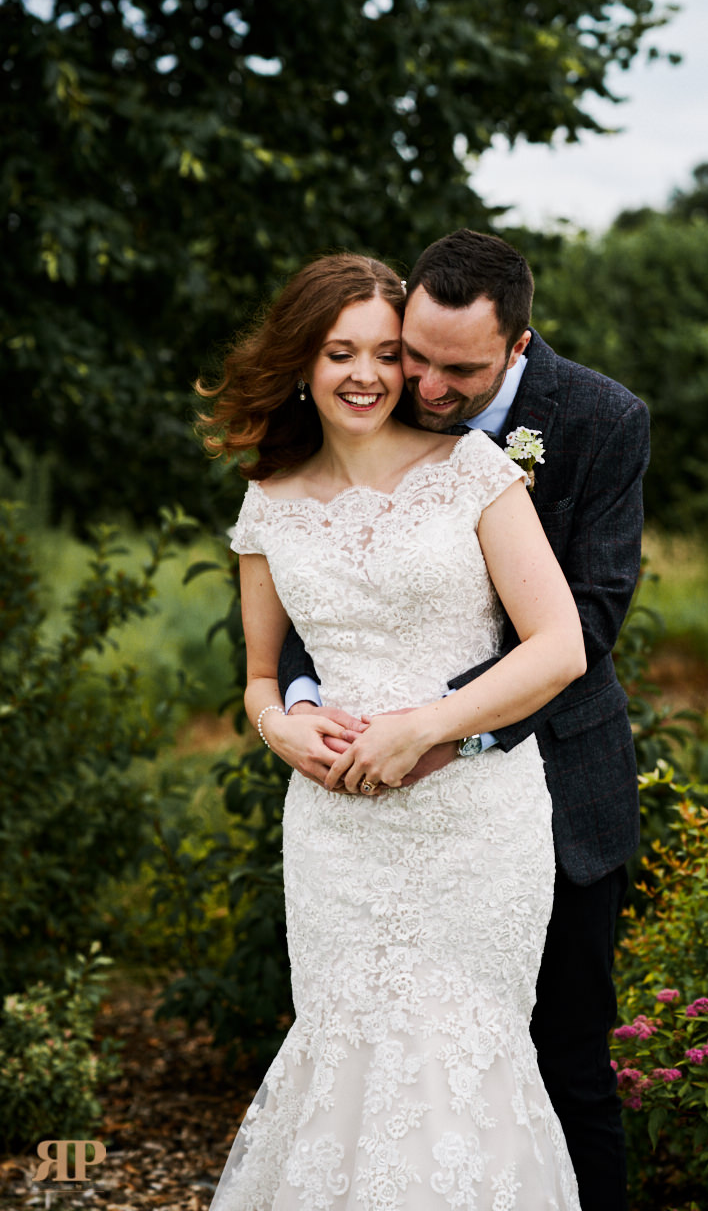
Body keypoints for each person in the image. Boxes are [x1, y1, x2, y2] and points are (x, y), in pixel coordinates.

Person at [197, 252, 587, 1210]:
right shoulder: (266, 501)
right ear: (303, 361)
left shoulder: (473, 471)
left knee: (463, 1061)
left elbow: (559, 647)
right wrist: (280, 728)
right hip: (337, 834)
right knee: (348, 1055)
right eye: (340, 353)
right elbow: (259, 677)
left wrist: (423, 729)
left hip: (474, 823)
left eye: (385, 352)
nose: (367, 374)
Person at [280, 229, 651, 1211]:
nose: (427, 387)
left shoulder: (602, 419)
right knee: (385, 1069)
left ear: (517, 346)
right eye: (416, 357)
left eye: (461, 372)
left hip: (552, 788)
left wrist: (438, 727)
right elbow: (326, 574)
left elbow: (588, 620)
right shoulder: (380, 386)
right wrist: (298, 705)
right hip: (371, 809)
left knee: (564, 1066)